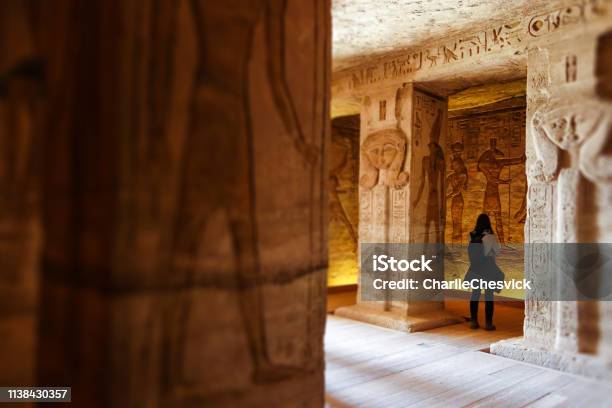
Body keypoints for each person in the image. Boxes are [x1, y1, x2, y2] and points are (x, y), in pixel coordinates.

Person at [465, 213, 503, 330]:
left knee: (475, 294)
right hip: (487, 269)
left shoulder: (471, 235)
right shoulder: (491, 237)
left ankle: (474, 321)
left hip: (475, 268)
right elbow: (497, 251)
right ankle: (488, 323)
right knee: (489, 296)